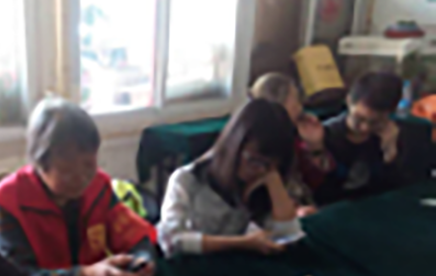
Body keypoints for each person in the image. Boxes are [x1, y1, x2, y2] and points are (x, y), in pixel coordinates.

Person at [0, 98, 157, 276]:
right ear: (39, 163)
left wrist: (141, 263)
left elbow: (135, 235)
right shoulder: (8, 203)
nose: (81, 178)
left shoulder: (98, 187)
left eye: (88, 165)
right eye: (67, 171)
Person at [158, 99, 301, 257]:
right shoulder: (187, 179)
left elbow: (288, 236)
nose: (260, 170)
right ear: (235, 146)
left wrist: (273, 179)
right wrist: (243, 243)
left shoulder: (261, 178)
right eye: (254, 161)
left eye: (269, 165)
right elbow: (172, 240)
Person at [250, 73, 335, 214]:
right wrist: (295, 211)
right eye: (295, 104)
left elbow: (319, 185)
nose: (300, 109)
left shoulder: (294, 139)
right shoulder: (256, 149)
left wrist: (315, 146)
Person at [315, 72, 404, 205]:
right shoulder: (326, 134)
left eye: (375, 122)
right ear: (349, 101)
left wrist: (390, 152)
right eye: (359, 119)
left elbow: (396, 190)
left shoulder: (390, 134)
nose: (365, 128)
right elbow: (319, 191)